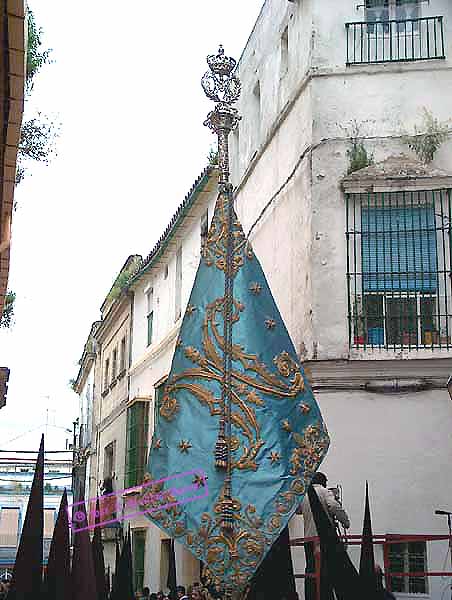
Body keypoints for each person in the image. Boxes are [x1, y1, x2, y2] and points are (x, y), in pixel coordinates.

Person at [298, 472, 350, 600]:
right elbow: (333, 506)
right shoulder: (325, 491)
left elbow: (298, 510)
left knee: (311, 569)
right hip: (325, 538)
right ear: (323, 482)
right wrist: (345, 522)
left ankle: (311, 596)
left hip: (308, 538)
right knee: (328, 569)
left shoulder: (304, 495)